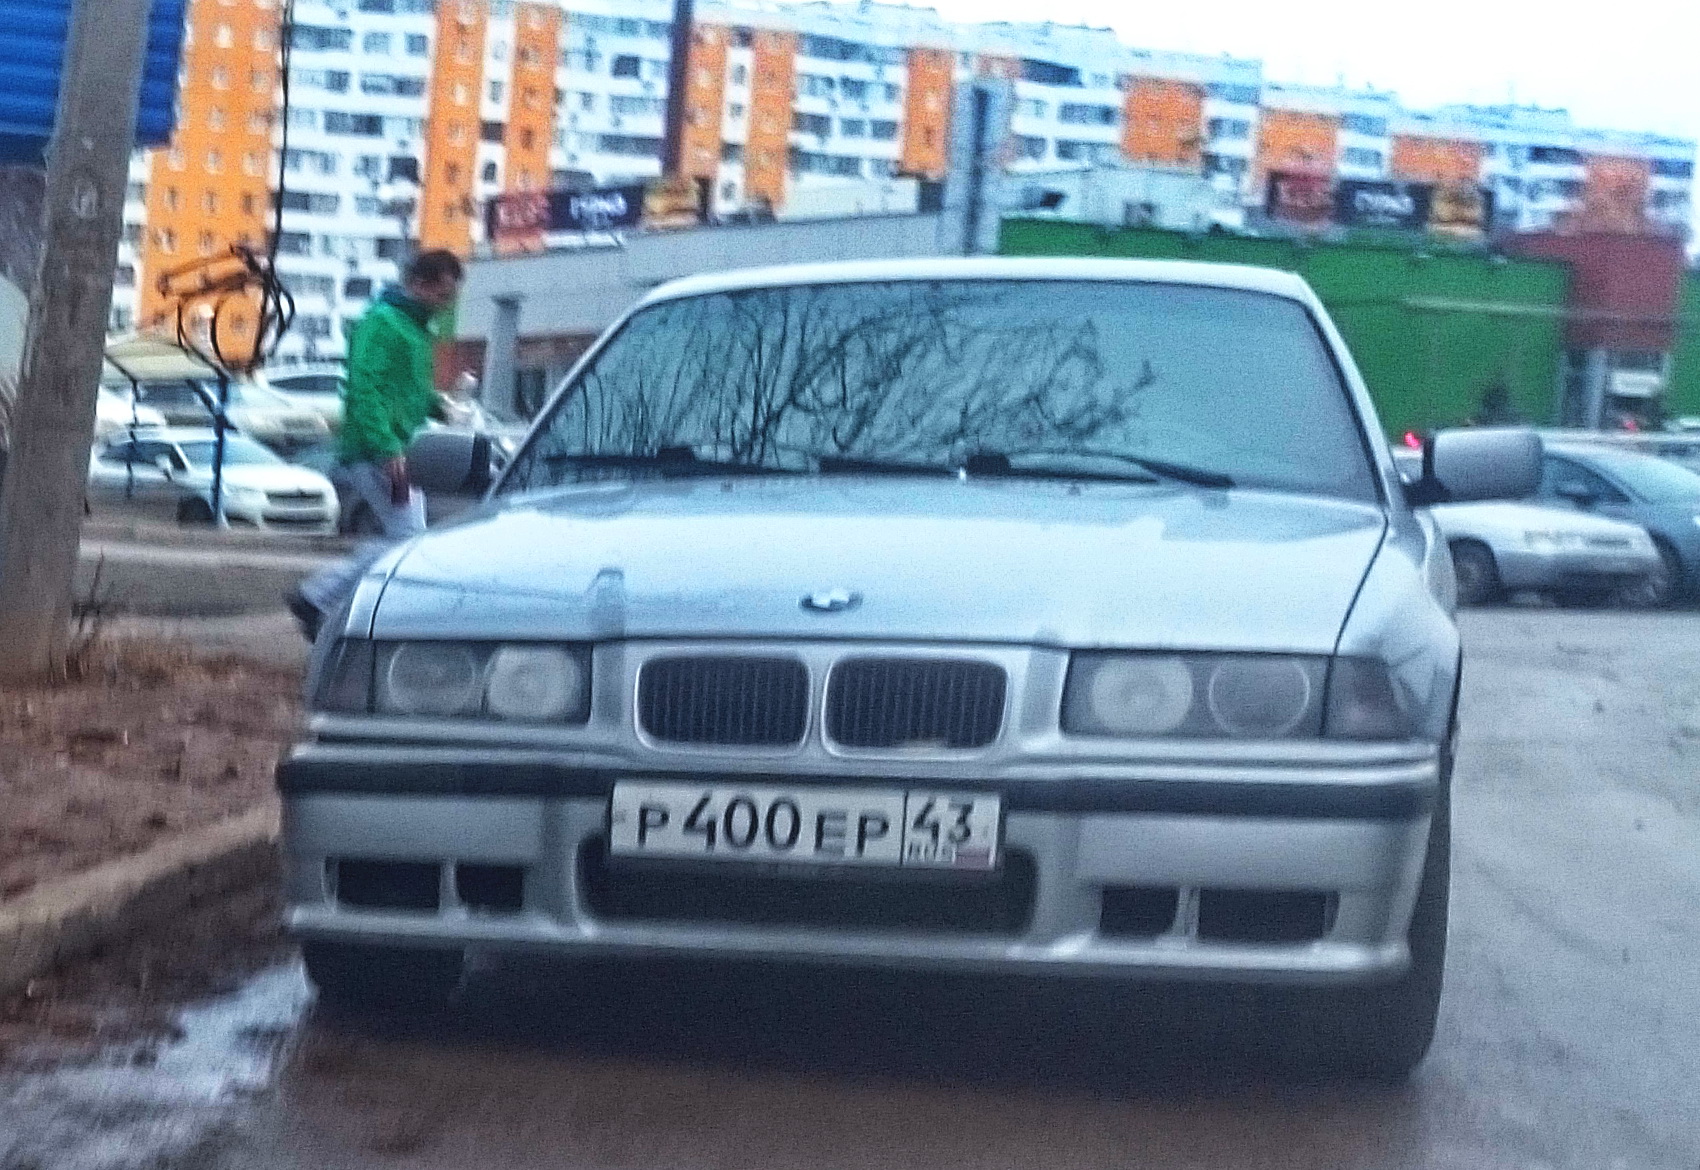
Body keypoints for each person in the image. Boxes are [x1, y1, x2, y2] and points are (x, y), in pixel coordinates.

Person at [288, 249, 464, 639]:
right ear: (420, 285)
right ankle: (318, 596)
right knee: (407, 543)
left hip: (398, 450)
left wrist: (437, 407)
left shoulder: (411, 328)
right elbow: (365, 388)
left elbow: (400, 390)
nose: (445, 306)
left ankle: (325, 601)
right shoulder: (385, 323)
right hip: (379, 452)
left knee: (405, 541)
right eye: (441, 296)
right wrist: (386, 446)